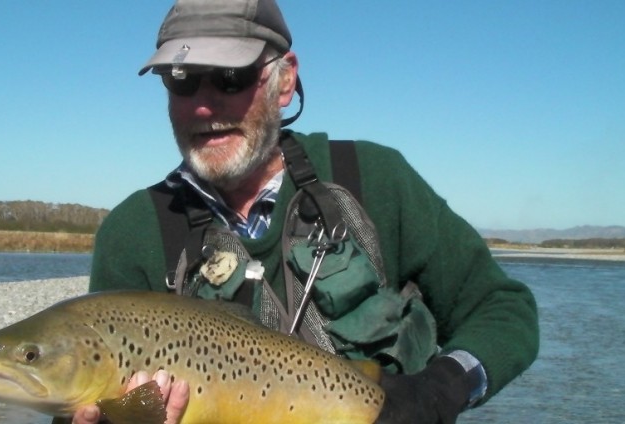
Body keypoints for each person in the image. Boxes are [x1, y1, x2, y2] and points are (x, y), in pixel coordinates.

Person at [66, 0, 539, 423]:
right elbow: (81, 390)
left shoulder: (376, 180)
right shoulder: (133, 233)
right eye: (182, 80)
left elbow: (503, 309)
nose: (204, 106)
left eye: (230, 77)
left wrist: (441, 390)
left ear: (285, 80)